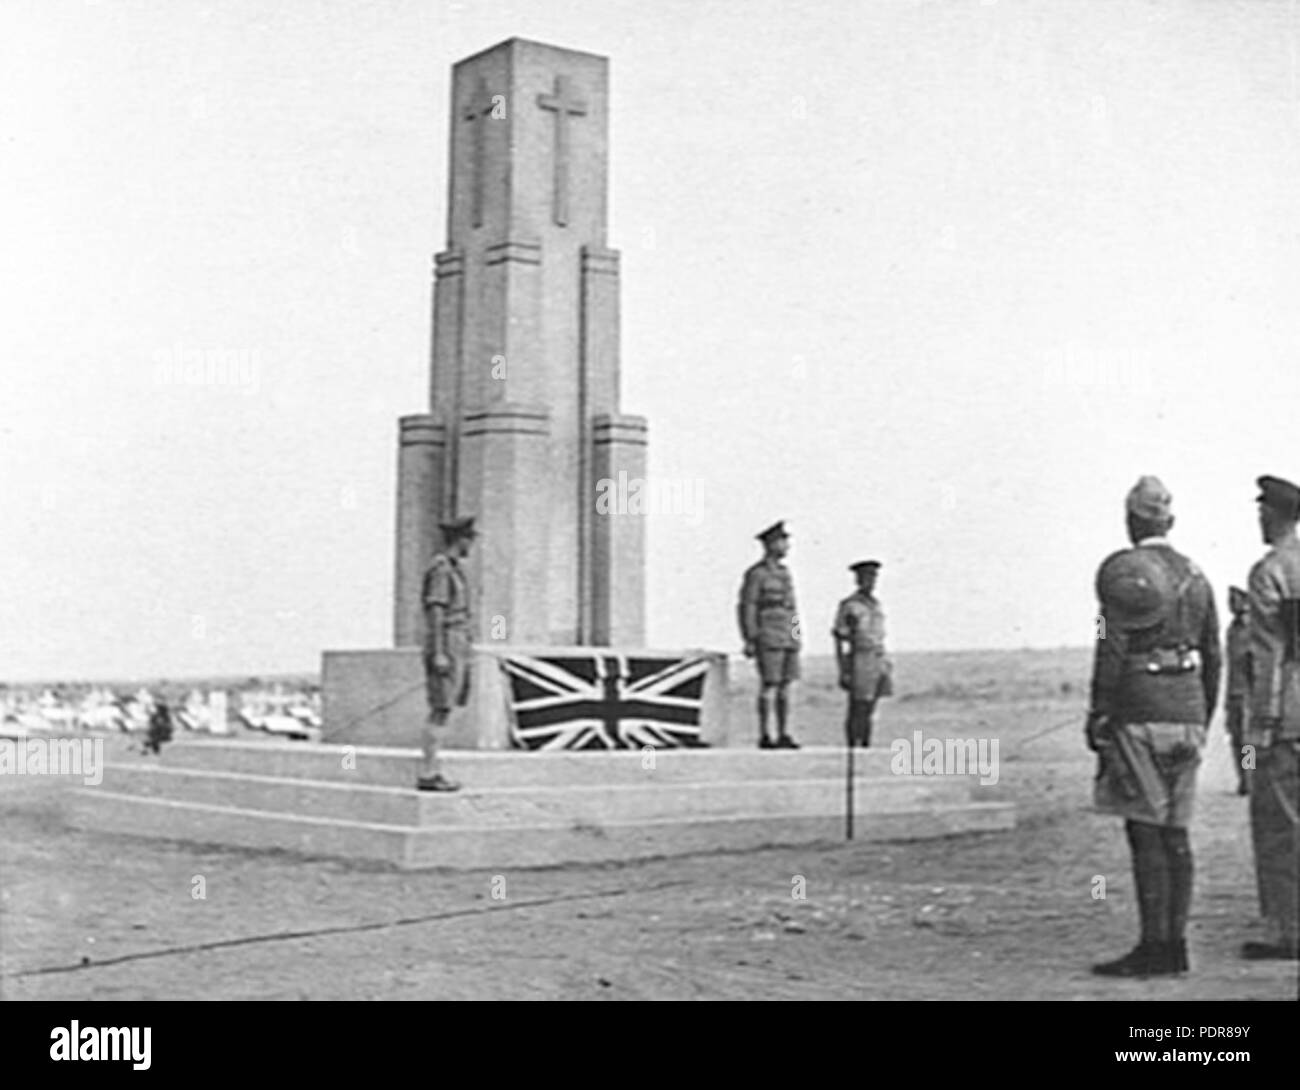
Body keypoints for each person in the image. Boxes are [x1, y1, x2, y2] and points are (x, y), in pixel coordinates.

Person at [1086, 475, 1221, 977]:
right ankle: (1177, 944)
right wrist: (1202, 714)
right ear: (1171, 520)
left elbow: (1111, 644)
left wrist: (1099, 712)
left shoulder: (1127, 575)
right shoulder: (1197, 575)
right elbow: (1213, 652)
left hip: (1139, 712)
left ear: (1131, 520)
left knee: (1145, 830)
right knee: (1177, 833)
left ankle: (1153, 946)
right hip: (1187, 714)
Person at [1242, 474, 1300, 961]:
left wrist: (1259, 729)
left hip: (1288, 720)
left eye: (1263, 512)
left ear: (1275, 515)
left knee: (1279, 826)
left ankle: (1286, 931)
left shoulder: (1268, 573)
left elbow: (1269, 659)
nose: (1259, 519)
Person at [416, 515, 476, 792]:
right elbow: (436, 612)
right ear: (460, 539)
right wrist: (439, 651)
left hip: (458, 640)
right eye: (469, 539)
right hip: (447, 641)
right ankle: (428, 773)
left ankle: (433, 770)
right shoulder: (441, 569)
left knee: (446, 708)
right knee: (440, 708)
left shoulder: (454, 569)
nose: (471, 545)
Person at [737, 521, 801, 749]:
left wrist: (796, 636)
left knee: (786, 686)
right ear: (770, 544)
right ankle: (765, 734)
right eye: (782, 541)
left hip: (787, 636)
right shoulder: (757, 574)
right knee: (769, 685)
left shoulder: (785, 574)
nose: (786, 546)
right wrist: (750, 638)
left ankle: (784, 733)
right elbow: (748, 606)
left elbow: (792, 608)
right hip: (768, 634)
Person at [832, 560, 892, 747]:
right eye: (866, 577)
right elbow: (839, 638)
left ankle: (866, 743)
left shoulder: (876, 605)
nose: (871, 582)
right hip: (860, 656)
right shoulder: (850, 605)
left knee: (872, 707)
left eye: (873, 577)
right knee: (859, 705)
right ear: (858, 580)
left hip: (878, 656)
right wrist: (843, 669)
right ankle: (853, 745)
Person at [1224, 586, 1252, 796]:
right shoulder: (1233, 630)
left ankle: (1249, 780)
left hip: (1249, 694)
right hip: (1235, 692)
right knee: (1237, 738)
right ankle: (1244, 777)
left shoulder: (1254, 629)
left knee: (1247, 741)